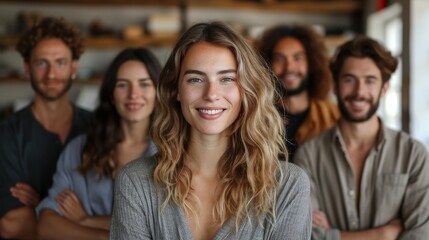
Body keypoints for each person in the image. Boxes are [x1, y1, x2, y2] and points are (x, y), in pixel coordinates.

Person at [110, 22, 311, 240]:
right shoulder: (135, 182)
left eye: (226, 79)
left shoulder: (288, 186)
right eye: (196, 79)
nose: (211, 94)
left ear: (246, 90)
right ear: (177, 90)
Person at [294, 35, 429, 239]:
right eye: (349, 80)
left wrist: (334, 235)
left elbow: (420, 233)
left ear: (384, 89)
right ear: (335, 86)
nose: (359, 91)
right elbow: (307, 235)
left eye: (370, 81)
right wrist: (382, 235)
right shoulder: (309, 157)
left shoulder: (413, 155)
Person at [36, 47, 160, 239]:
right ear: (111, 94)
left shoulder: (172, 152)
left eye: (144, 84)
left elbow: (161, 226)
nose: (133, 94)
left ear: (158, 92)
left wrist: (85, 220)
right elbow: (46, 225)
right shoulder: (79, 148)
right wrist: (103, 237)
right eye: (123, 85)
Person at [0, 17, 92, 239]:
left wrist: (41, 205)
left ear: (74, 68)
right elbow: (11, 226)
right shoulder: (7, 135)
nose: (51, 74)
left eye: (60, 62)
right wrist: (83, 219)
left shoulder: (98, 127)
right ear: (27, 69)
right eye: (41, 63)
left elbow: (121, 214)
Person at [258, 25, 340, 160]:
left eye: (297, 58)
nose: (289, 67)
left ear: (312, 63)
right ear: (267, 65)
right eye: (279, 59)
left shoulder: (334, 117)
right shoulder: (255, 118)